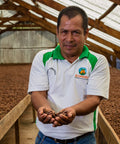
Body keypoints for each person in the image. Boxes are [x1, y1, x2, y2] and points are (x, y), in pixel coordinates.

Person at [28, 6, 110, 144]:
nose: (69, 38)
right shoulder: (43, 58)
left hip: (84, 139)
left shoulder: (97, 61)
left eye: (76, 33)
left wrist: (73, 111)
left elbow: (94, 99)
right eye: (64, 32)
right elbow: (37, 93)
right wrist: (44, 110)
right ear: (57, 32)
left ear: (86, 33)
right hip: (47, 139)